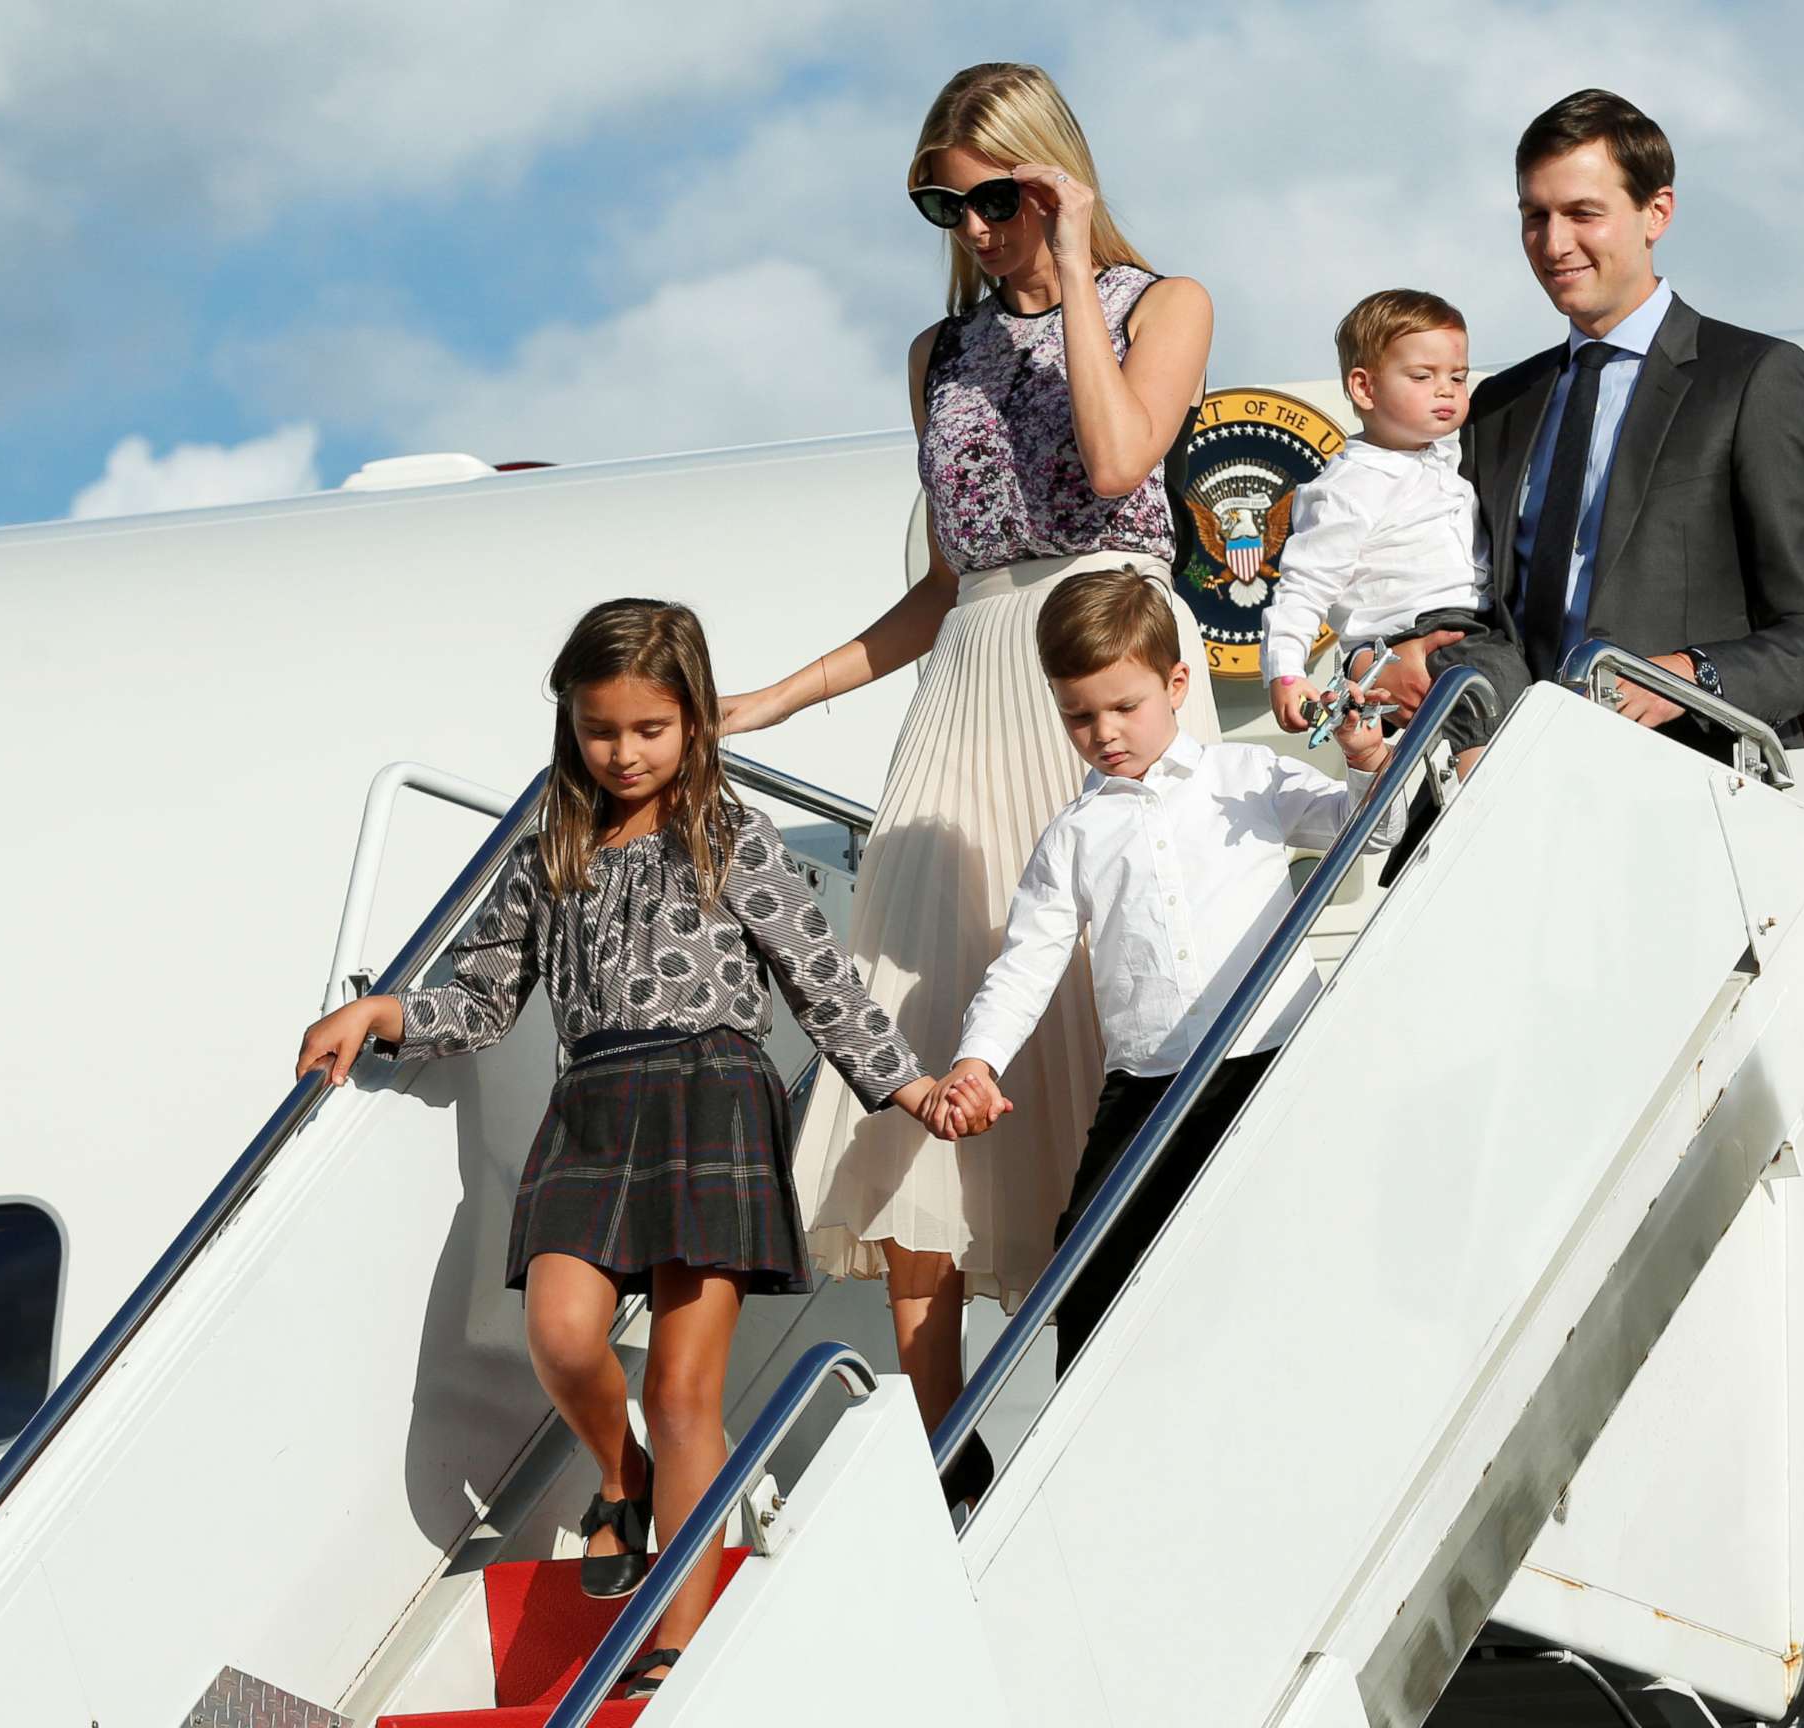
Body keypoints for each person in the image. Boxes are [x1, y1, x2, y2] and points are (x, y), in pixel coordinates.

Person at [721, 62, 1219, 1504]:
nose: (974, 228)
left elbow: (1126, 456)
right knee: (925, 1029)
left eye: (998, 197)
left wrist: (1069, 267)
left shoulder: (1160, 303)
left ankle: (1134, 1386)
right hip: (974, 679)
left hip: (1110, 648)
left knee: (1119, 1011)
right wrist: (776, 694)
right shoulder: (935, 357)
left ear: (1054, 179)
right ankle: (944, 1448)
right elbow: (944, 588)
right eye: (947, 202)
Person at [295, 599, 937, 1699]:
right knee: (559, 1333)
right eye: (602, 731)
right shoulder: (553, 841)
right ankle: (619, 1474)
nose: (625, 753)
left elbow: (819, 978)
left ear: (693, 719)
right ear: (570, 727)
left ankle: (676, 1640)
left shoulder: (734, 836)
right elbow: (487, 999)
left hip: (712, 1098)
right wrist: (385, 1015)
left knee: (690, 1390)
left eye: (650, 729)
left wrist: (906, 1080)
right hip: (593, 1102)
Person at [928, 567, 1401, 1372]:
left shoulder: (1245, 778)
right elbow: (1025, 966)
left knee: (1291, 1238)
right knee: (1088, 1263)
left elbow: (1368, 831)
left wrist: (1365, 760)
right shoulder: (1074, 833)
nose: (1104, 731)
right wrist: (977, 1060)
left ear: (1177, 684)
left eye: (1123, 707)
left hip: (1270, 1057)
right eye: (1078, 716)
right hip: (1149, 1083)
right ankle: (1087, 1447)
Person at [1369, 89, 1804, 754]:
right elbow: (1471, 606)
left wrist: (1686, 677)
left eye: (1582, 213)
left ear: (1656, 213)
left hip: (1694, 788)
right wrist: (1400, 652)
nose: (1553, 242)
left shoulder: (1753, 378)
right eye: (1534, 215)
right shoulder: (1498, 406)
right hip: (1517, 791)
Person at [1261, 289, 1528, 776]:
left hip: (1478, 631)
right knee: (1494, 719)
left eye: (1458, 377)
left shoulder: (1447, 460)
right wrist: (1285, 669)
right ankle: (1487, 810)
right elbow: (1305, 584)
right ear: (1364, 389)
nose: (1446, 390)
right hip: (1432, 636)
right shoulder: (1350, 486)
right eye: (1422, 377)